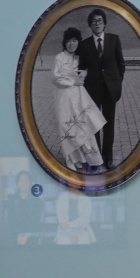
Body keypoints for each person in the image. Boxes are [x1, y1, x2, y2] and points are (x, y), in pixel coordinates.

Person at [51, 27, 107, 173]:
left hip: (80, 97)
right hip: (64, 97)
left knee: (82, 126)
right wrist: (72, 82)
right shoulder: (59, 58)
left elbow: (92, 69)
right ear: (64, 42)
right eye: (69, 41)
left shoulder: (80, 57)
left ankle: (87, 159)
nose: (72, 44)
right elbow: (55, 79)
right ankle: (72, 159)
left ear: (78, 42)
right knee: (67, 126)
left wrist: (85, 73)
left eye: (75, 40)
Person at [77, 9, 125, 170]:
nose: (97, 23)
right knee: (94, 125)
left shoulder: (114, 40)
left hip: (110, 90)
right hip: (93, 91)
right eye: (94, 21)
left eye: (100, 20)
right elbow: (82, 68)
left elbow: (121, 64)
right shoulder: (85, 45)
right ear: (90, 25)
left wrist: (116, 82)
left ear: (104, 23)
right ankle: (96, 159)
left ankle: (108, 157)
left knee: (109, 125)